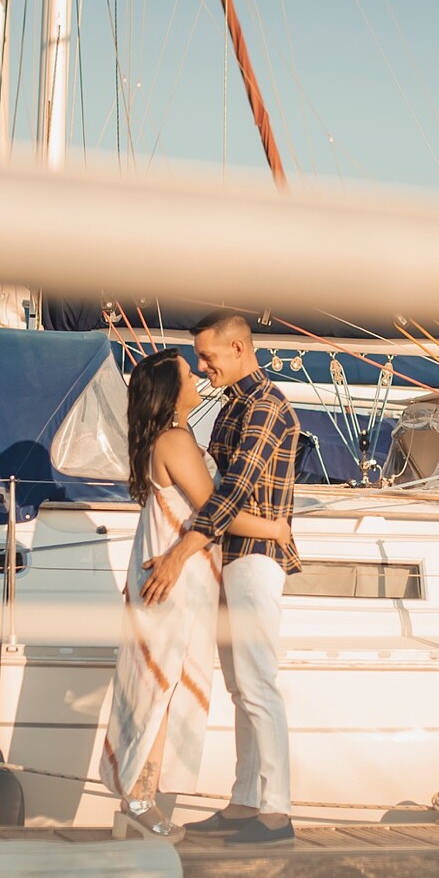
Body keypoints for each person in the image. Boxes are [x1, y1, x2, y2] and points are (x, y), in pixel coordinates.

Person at [100, 349, 292, 839]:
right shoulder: (176, 440)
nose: (197, 376)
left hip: (171, 574)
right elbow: (214, 510)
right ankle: (141, 802)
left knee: (154, 684)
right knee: (160, 687)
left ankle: (138, 803)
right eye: (187, 373)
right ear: (170, 390)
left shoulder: (166, 440)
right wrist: (274, 527)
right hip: (175, 579)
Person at [142, 310, 301, 846]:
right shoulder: (233, 408)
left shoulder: (265, 407)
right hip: (233, 556)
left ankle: (276, 812)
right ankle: (246, 801)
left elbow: (229, 494)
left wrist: (180, 553)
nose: (203, 366)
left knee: (257, 682)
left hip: (255, 560)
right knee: (241, 686)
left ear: (239, 349)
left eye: (208, 356)